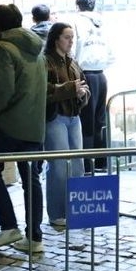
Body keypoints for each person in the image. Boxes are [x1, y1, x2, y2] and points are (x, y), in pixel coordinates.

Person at [0, 3, 47, 254]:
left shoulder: (1, 48)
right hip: (34, 126)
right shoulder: (37, 48)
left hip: (9, 124)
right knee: (32, 179)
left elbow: (2, 89)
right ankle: (35, 237)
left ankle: (9, 226)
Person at [43, 22, 90, 228]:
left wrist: (82, 94)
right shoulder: (45, 62)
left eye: (72, 37)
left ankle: (76, 209)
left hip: (74, 117)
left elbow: (84, 87)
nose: (71, 41)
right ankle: (57, 213)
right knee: (59, 166)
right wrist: (72, 89)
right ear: (56, 39)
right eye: (67, 37)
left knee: (78, 165)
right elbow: (44, 91)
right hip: (55, 118)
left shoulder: (72, 61)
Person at [71, 0, 112, 171]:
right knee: (99, 119)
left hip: (84, 74)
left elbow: (72, 48)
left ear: (77, 6)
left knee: (86, 120)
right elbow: (112, 54)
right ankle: (102, 161)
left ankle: (87, 164)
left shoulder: (76, 22)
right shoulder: (103, 23)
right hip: (101, 75)